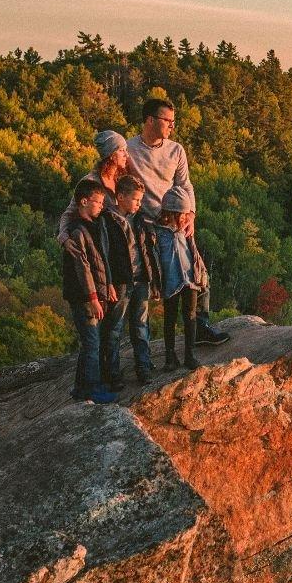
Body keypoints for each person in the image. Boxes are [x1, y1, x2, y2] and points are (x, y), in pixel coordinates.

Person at [124, 97, 230, 346]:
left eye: (173, 121)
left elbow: (185, 185)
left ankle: (201, 327)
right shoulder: (129, 150)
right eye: (167, 121)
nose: (172, 126)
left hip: (174, 223)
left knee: (198, 273)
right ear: (150, 120)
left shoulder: (176, 150)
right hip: (144, 227)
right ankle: (143, 349)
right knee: (145, 287)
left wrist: (191, 215)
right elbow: (107, 181)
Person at [57, 178, 118, 403]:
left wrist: (109, 285)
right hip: (83, 296)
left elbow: (102, 259)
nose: (102, 206)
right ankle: (92, 390)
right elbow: (82, 269)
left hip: (95, 293)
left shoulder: (94, 225)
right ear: (84, 201)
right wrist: (93, 297)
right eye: (98, 202)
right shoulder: (77, 231)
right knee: (92, 343)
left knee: (89, 343)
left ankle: (81, 388)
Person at [106, 173, 160, 383]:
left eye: (140, 200)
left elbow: (148, 252)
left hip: (141, 281)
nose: (139, 203)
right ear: (120, 197)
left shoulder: (141, 219)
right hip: (121, 282)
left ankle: (143, 369)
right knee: (115, 328)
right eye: (136, 199)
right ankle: (112, 373)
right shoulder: (108, 221)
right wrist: (108, 283)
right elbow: (103, 255)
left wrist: (154, 282)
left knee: (141, 326)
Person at [154, 183, 208, 370]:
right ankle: (170, 357)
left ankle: (189, 355)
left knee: (190, 316)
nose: (186, 219)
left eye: (187, 215)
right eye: (182, 215)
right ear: (171, 214)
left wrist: (200, 275)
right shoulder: (158, 232)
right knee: (169, 318)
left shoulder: (186, 230)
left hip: (190, 280)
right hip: (170, 281)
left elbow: (193, 253)